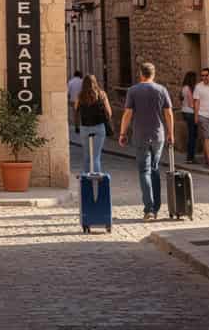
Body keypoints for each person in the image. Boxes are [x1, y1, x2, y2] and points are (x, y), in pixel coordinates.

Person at [118, 61, 174, 221]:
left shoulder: (133, 91)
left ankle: (149, 209)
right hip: (158, 135)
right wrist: (171, 133)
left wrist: (122, 133)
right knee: (155, 169)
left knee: (144, 171)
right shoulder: (162, 90)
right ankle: (156, 207)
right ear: (153, 74)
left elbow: (127, 113)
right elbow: (169, 113)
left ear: (141, 74)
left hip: (141, 135)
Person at [76, 74, 112, 174]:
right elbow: (109, 112)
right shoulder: (102, 94)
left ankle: (87, 183)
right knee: (96, 157)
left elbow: (76, 109)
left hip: (85, 128)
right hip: (99, 127)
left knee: (87, 157)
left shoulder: (80, 95)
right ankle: (96, 183)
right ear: (95, 82)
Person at [180, 71, 198, 164]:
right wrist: (198, 109)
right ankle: (190, 157)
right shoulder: (188, 88)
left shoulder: (184, 88)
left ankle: (190, 157)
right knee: (192, 136)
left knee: (191, 135)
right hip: (190, 113)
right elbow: (191, 104)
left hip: (185, 112)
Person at [67, 70, 84, 143]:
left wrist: (68, 99)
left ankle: (77, 127)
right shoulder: (82, 82)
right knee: (82, 114)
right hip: (82, 100)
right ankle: (83, 126)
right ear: (80, 75)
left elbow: (68, 92)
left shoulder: (70, 82)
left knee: (76, 114)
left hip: (73, 100)